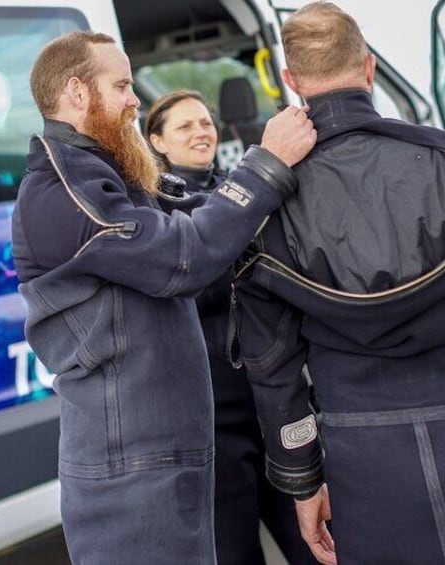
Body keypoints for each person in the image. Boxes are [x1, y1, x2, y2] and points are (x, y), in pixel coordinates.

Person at [233, 3, 445, 564]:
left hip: (363, 452)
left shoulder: (273, 206)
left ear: (292, 83)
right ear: (368, 69)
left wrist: (300, 480)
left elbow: (272, 367)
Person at [11, 30, 316, 564]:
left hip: (164, 458)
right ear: (78, 93)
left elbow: (200, 206)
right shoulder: (61, 192)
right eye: (123, 85)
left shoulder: (109, 176)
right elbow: (185, 257)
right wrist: (266, 164)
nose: (135, 101)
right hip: (127, 474)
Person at [144, 89, 316, 565]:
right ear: (156, 141)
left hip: (269, 396)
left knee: (313, 541)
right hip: (213, 410)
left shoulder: (238, 189)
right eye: (184, 127)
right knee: (235, 547)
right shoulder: (154, 208)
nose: (201, 132)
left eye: (205, 123)